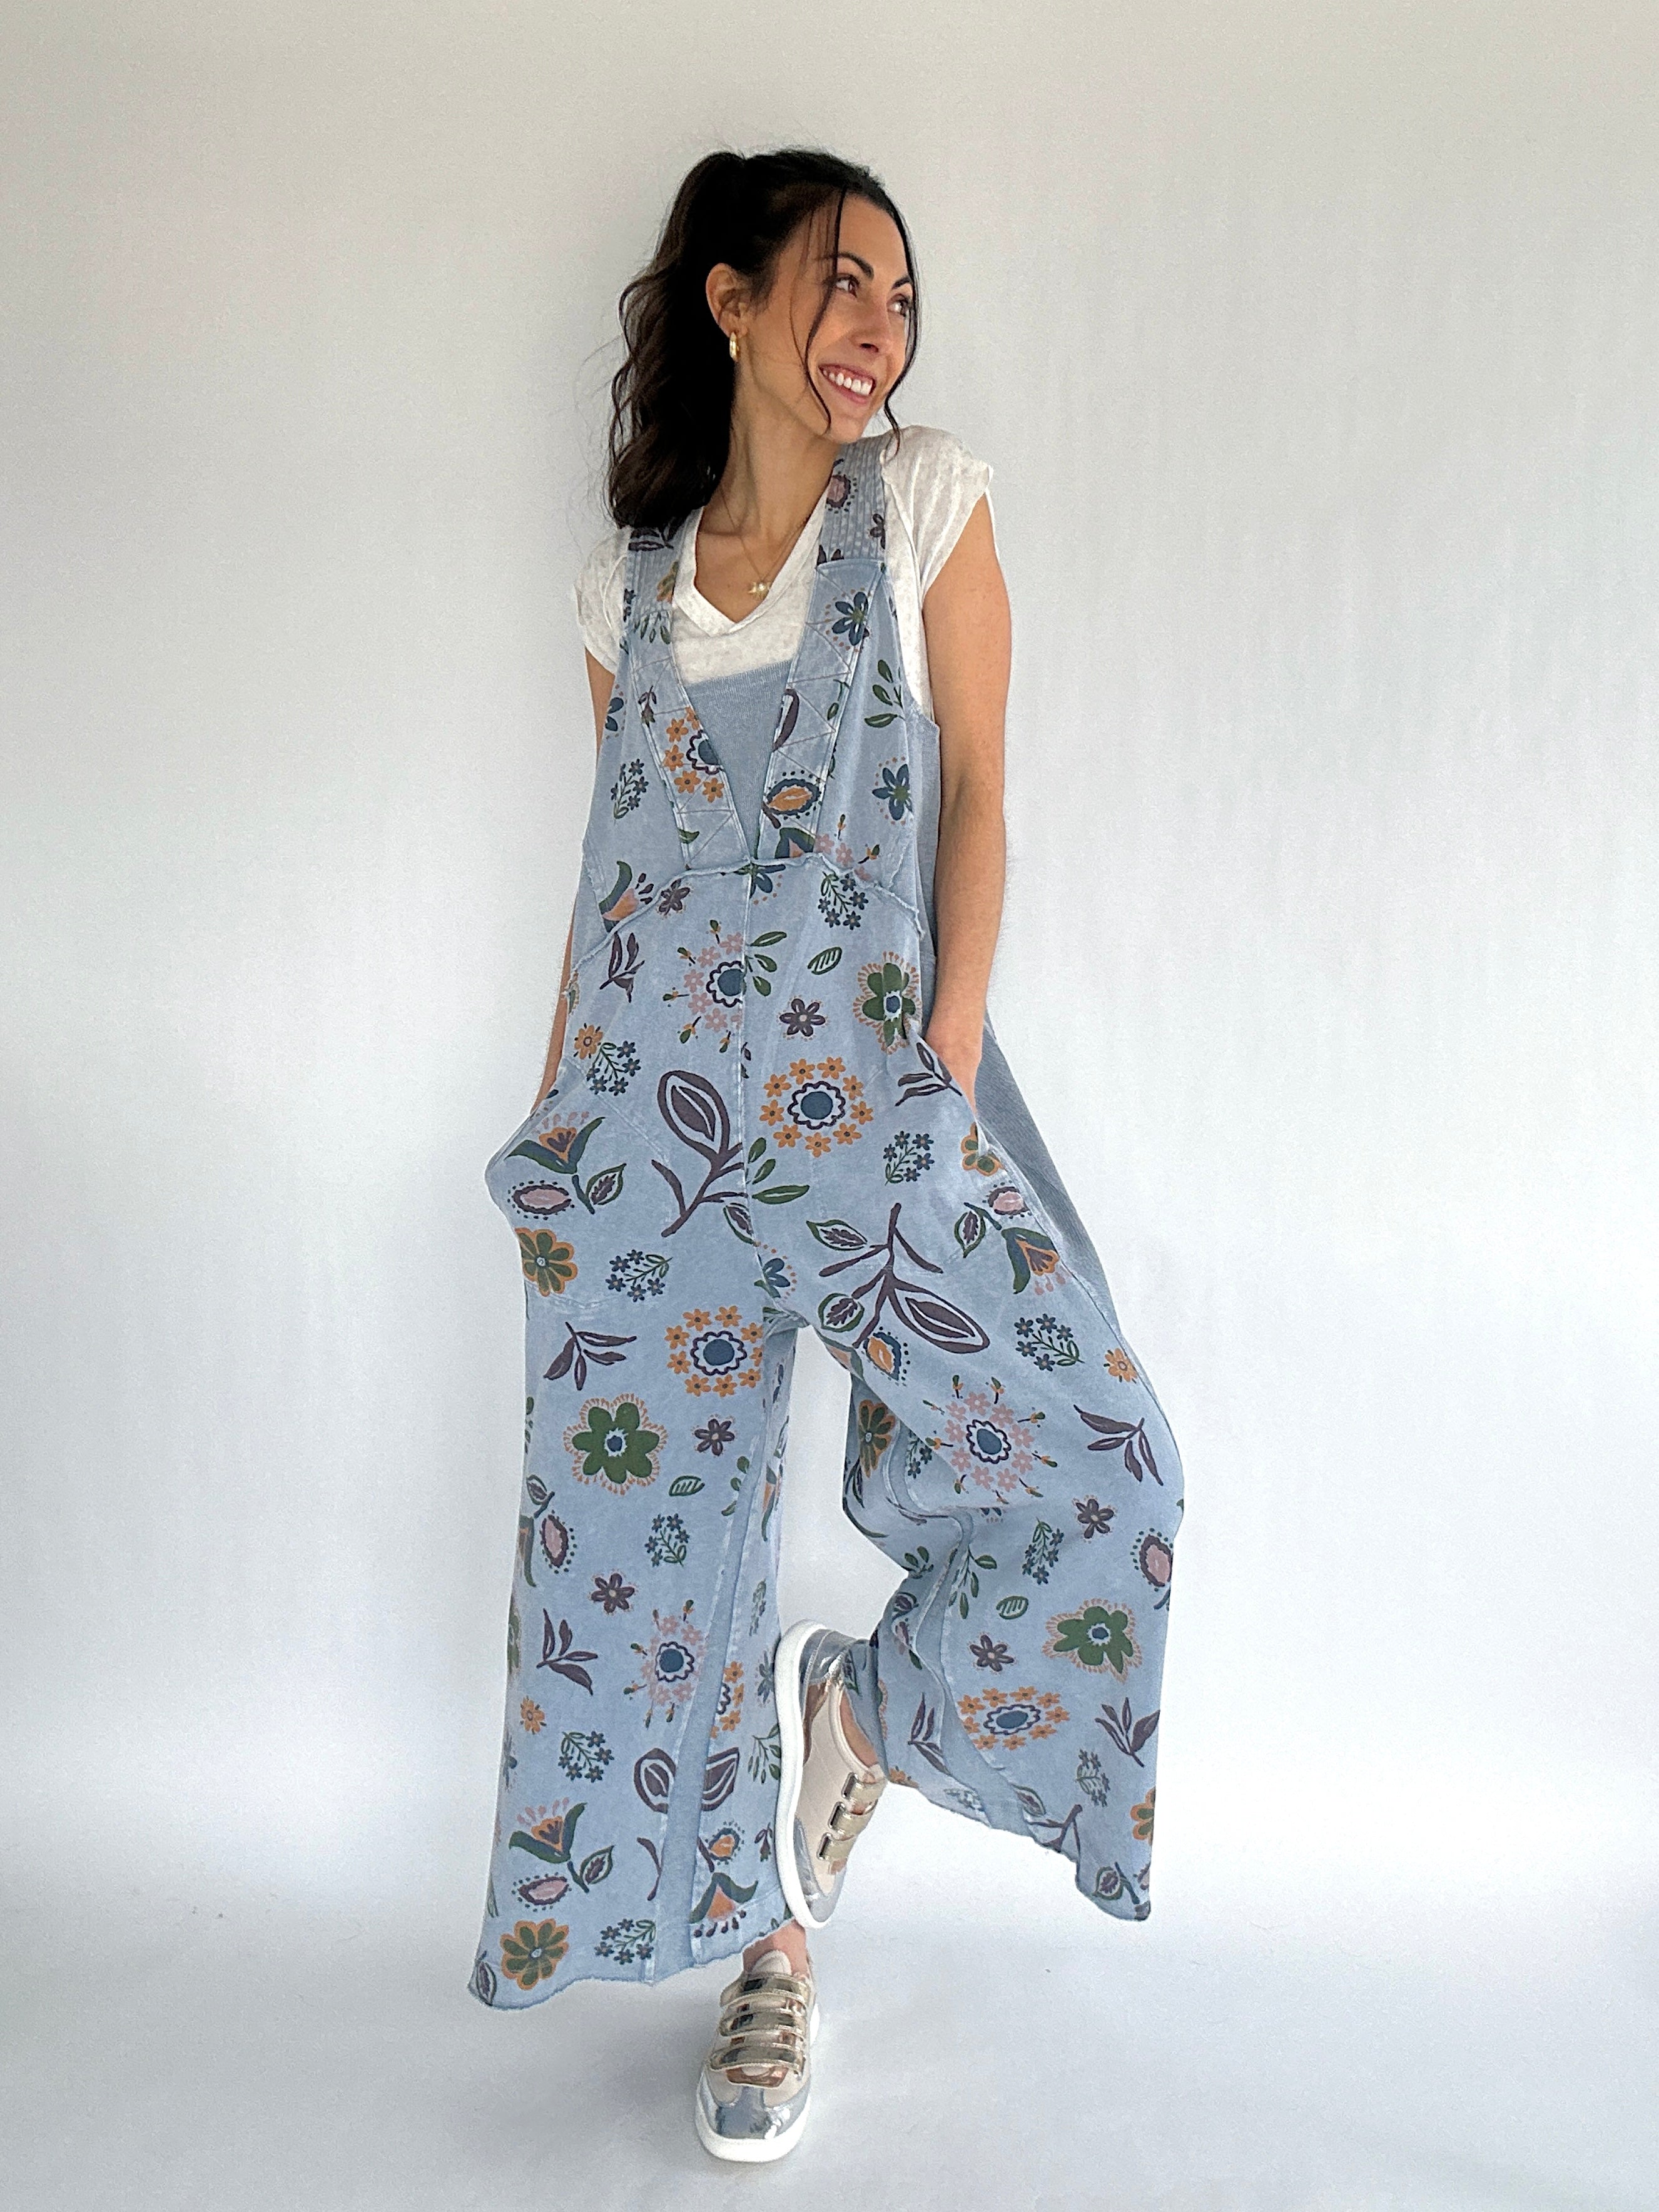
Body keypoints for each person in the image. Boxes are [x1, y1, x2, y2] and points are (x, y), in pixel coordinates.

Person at [467, 146, 1185, 2163]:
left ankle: (851, 1726)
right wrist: (553, 1139)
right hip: (647, 1139)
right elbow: (607, 891)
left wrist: (942, 1083)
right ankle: (765, 1961)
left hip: (875, 1111)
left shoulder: (926, 502)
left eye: (899, 301)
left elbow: (977, 810)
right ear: (727, 297)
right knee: (646, 1575)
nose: (876, 331)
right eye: (841, 284)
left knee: (1104, 1466)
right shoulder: (618, 591)